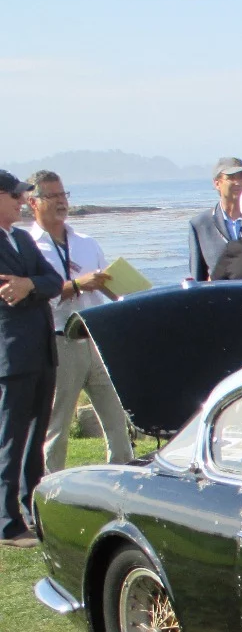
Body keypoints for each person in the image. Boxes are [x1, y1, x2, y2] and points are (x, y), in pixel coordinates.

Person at [25, 171, 133, 472]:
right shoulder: (30, 247)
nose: (61, 202)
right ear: (33, 203)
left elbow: (110, 288)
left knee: (116, 420)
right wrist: (75, 285)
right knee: (56, 427)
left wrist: (123, 292)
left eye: (64, 195)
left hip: (96, 338)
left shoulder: (86, 242)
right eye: (52, 196)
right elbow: (35, 296)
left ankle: (120, 483)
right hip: (60, 341)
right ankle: (52, 491)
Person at [0, 171, 63, 548]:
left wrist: (29, 285)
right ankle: (7, 521)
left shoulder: (21, 237)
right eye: (15, 196)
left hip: (41, 350)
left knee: (35, 437)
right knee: (10, 437)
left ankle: (31, 505)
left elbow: (53, 281)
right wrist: (27, 286)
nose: (22, 202)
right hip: (11, 354)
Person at [186, 157, 242, 281]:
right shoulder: (200, 225)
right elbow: (198, 278)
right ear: (217, 183)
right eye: (231, 178)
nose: (238, 182)